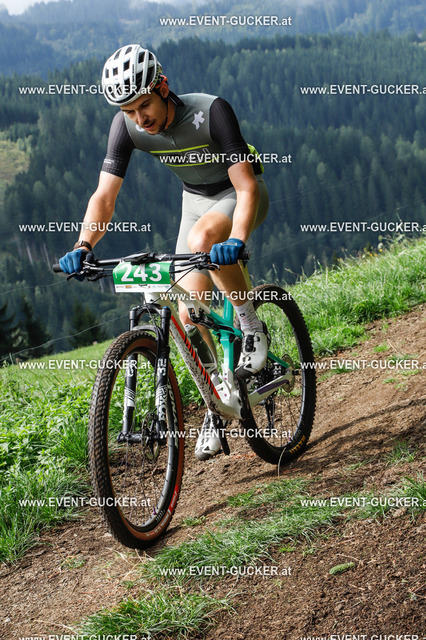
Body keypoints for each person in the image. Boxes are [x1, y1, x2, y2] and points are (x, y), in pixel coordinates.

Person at [59, 44, 270, 460]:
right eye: (129, 111)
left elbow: (246, 186)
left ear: (163, 87)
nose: (139, 119)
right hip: (194, 202)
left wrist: (237, 239)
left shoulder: (212, 111)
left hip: (239, 194)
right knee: (189, 312)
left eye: (144, 106)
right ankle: (219, 397)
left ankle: (251, 324)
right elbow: (104, 196)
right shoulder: (126, 126)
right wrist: (84, 244)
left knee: (202, 241)